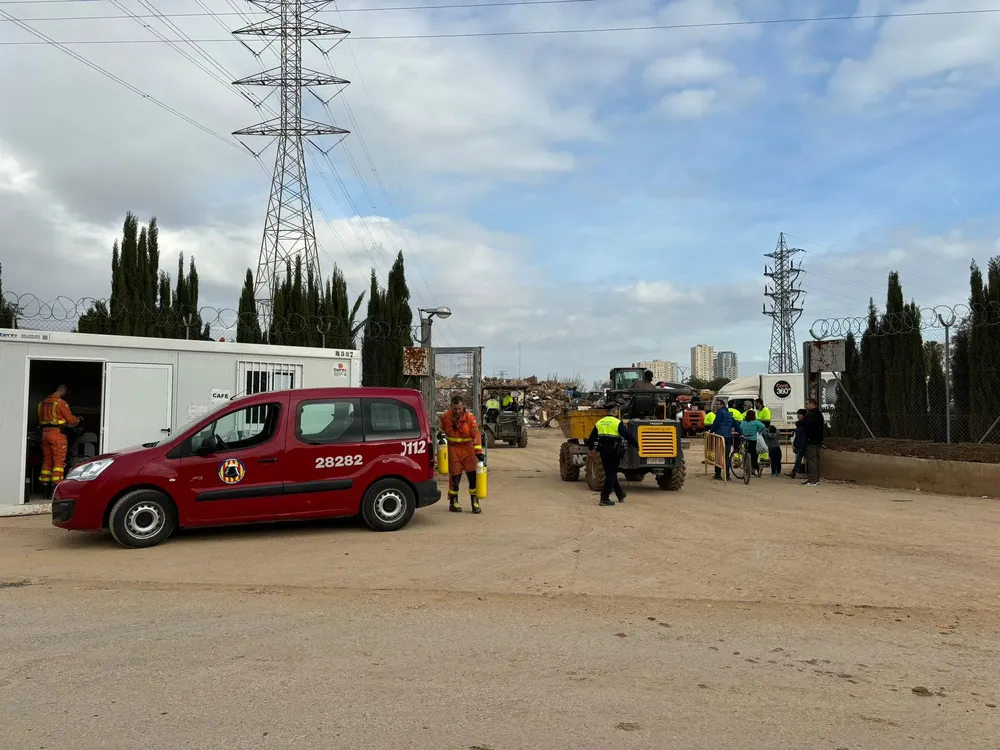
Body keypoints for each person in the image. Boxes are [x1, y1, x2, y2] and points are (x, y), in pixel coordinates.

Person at [586, 405, 639, 506]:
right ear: (614, 411)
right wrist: (636, 445)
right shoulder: (617, 422)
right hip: (614, 452)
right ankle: (604, 498)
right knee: (611, 475)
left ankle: (620, 494)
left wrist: (591, 449)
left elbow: (592, 437)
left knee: (611, 473)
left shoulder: (600, 422)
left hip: (603, 452)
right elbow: (627, 435)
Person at [440, 395, 484, 513]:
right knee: (455, 478)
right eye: (455, 409)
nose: (458, 411)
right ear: (451, 407)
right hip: (453, 449)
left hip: (468, 449)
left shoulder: (470, 418)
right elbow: (441, 430)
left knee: (473, 478)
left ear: (463, 406)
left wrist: (478, 452)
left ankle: (475, 502)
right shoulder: (446, 417)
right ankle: (453, 502)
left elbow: (476, 434)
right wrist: (440, 437)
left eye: (460, 408)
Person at [38, 383, 82, 495]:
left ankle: (44, 489)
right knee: (58, 463)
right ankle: (56, 490)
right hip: (57, 434)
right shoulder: (61, 403)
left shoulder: (42, 403)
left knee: (47, 462)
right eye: (65, 391)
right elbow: (71, 421)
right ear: (62, 389)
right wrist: (78, 420)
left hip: (44, 434)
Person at [708, 399, 739, 480]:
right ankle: (727, 475)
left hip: (720, 437)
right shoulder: (729, 414)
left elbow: (716, 423)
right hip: (728, 437)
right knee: (726, 456)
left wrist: (711, 431)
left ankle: (718, 474)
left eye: (718, 404)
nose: (716, 406)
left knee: (718, 455)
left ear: (722, 405)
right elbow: (735, 424)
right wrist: (741, 433)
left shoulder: (720, 413)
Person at [800, 398, 824, 487]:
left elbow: (800, 423)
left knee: (811, 460)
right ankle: (816, 479)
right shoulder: (819, 414)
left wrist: (800, 421)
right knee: (816, 460)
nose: (806, 406)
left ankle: (812, 480)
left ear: (812, 404)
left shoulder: (810, 415)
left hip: (811, 440)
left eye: (807, 404)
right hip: (818, 440)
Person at [738, 409, 767, 477]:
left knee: (746, 454)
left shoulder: (743, 423)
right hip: (753, 440)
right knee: (754, 456)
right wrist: (758, 432)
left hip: (745, 439)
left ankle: (749, 468)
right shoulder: (756, 422)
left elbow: (740, 429)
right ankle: (756, 468)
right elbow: (763, 426)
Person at [789, 409, 807, 479]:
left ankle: (794, 472)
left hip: (802, 444)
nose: (798, 416)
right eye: (798, 414)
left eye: (800, 414)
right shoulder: (800, 424)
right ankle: (794, 472)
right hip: (800, 444)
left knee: (799, 458)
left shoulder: (804, 425)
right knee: (798, 459)